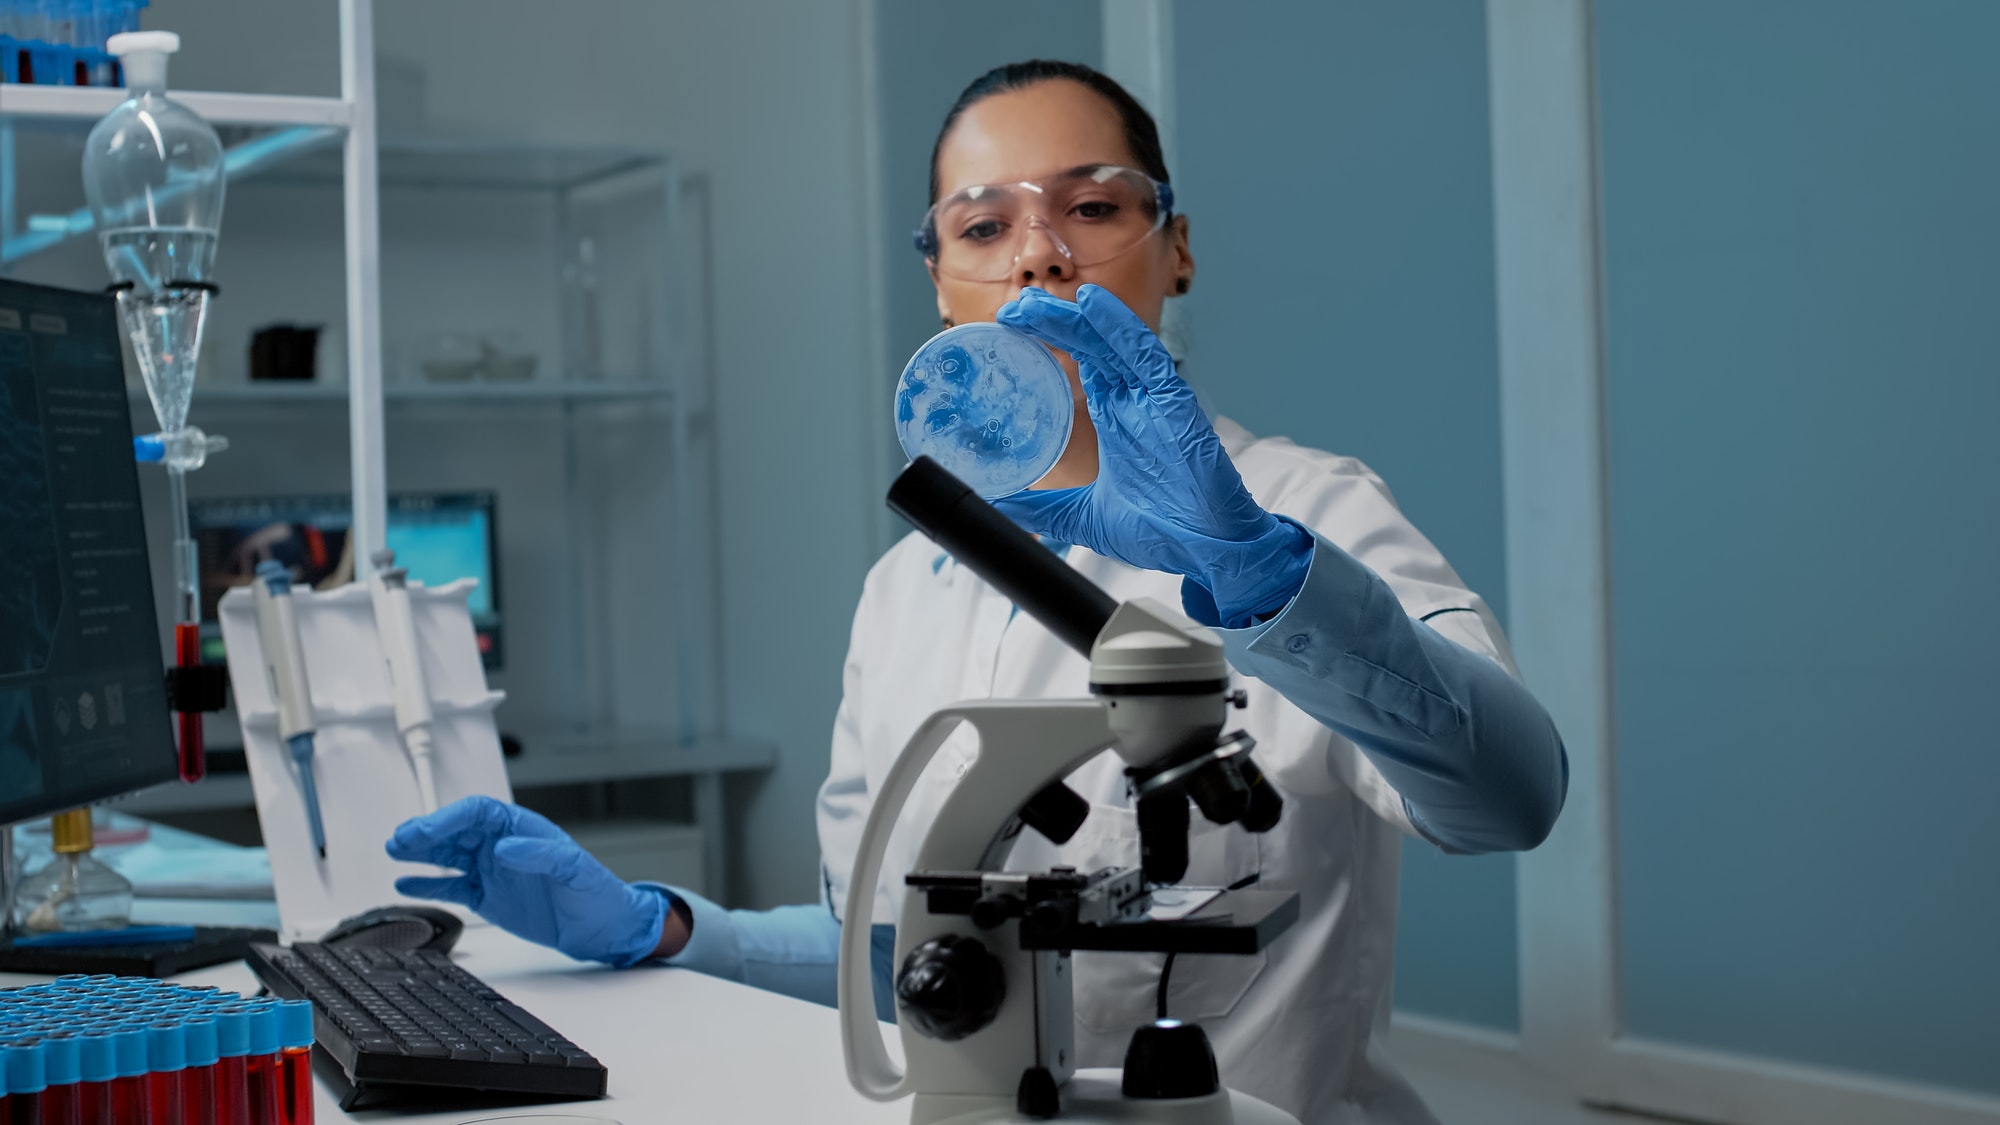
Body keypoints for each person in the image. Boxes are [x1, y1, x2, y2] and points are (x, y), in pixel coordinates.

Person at [386, 60, 1568, 1124]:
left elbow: (1507, 800)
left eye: (1092, 207)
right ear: (942, 284)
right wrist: (668, 929)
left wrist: (1254, 571)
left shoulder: (1311, 506)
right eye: (983, 225)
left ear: (1179, 247)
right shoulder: (906, 585)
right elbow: (903, 952)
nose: (1039, 255)